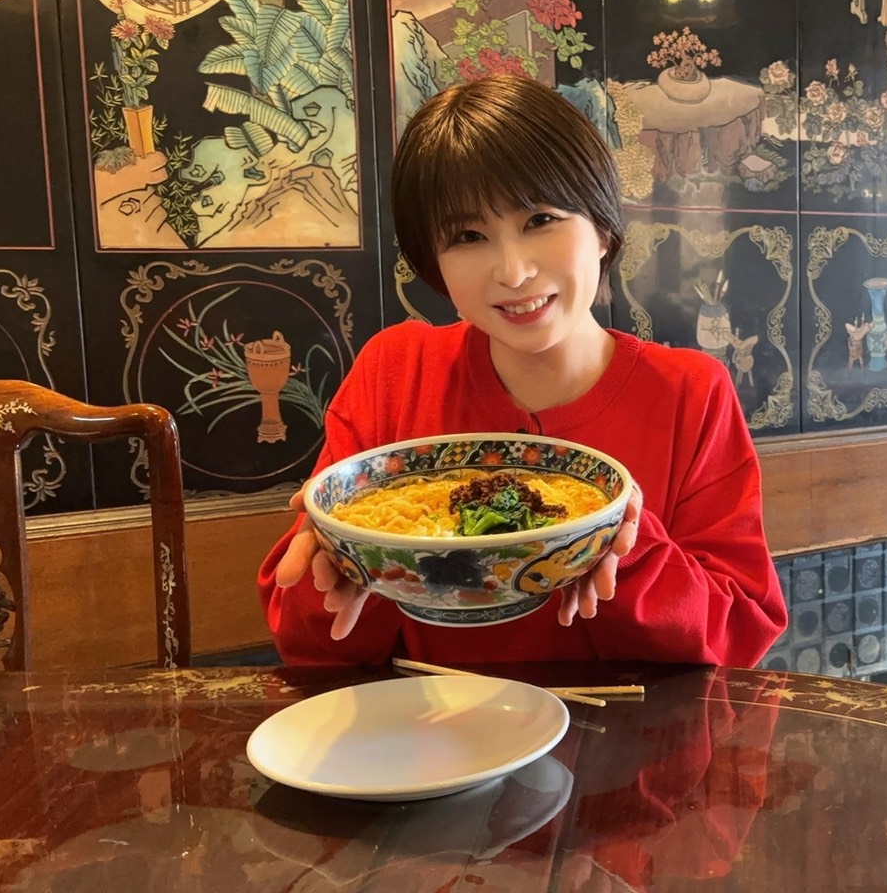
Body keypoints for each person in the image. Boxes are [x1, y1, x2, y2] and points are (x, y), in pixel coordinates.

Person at [258, 74, 787, 668]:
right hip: (436, 723)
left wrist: (618, 544)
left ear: (602, 227)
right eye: (468, 235)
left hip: (628, 724)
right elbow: (307, 643)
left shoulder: (690, 391)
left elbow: (739, 634)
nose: (512, 272)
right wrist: (351, 559)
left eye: (540, 220)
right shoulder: (397, 371)